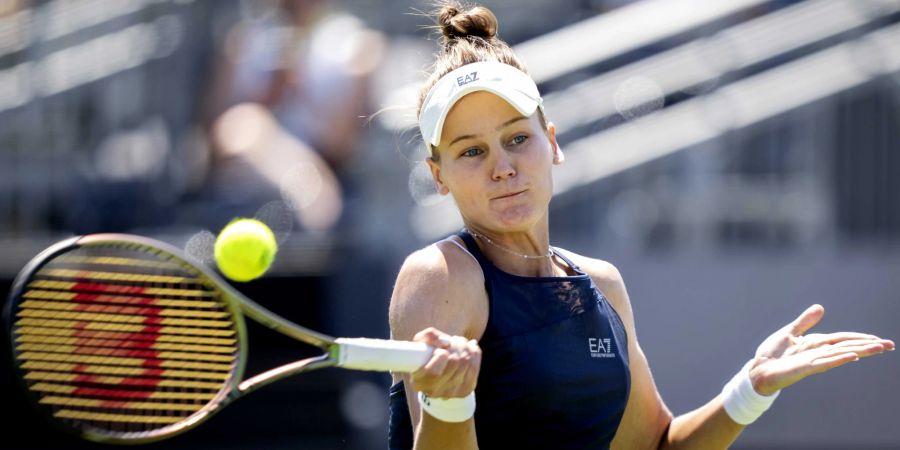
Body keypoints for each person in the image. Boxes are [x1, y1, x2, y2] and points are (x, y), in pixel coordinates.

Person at [387, 2, 895, 449]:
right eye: (471, 151)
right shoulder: (441, 277)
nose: (502, 167)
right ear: (439, 177)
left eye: (517, 138)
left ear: (553, 143)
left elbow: (655, 446)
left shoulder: (600, 284)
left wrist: (751, 388)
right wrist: (448, 405)